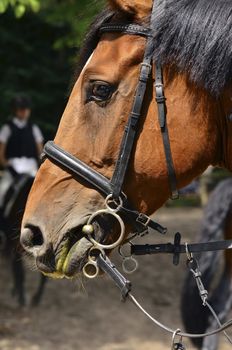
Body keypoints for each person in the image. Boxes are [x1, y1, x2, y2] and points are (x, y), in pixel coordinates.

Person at [0, 94, 44, 211]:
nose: (24, 112)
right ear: (16, 111)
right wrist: (7, 167)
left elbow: (40, 151)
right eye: (21, 109)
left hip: (31, 169)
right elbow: (1, 154)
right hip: (12, 168)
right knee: (2, 193)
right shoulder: (7, 128)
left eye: (26, 109)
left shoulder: (34, 128)